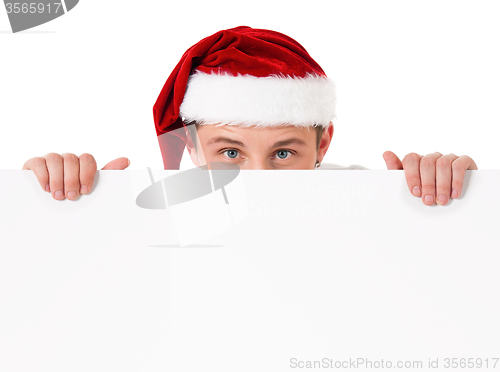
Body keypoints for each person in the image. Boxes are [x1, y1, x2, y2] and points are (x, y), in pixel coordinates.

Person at [22, 26, 477, 206]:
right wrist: (53, 196)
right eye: (231, 151)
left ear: (323, 144)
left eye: (282, 151)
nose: (260, 176)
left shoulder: (364, 198)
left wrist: (448, 194)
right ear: (193, 146)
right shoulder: (160, 206)